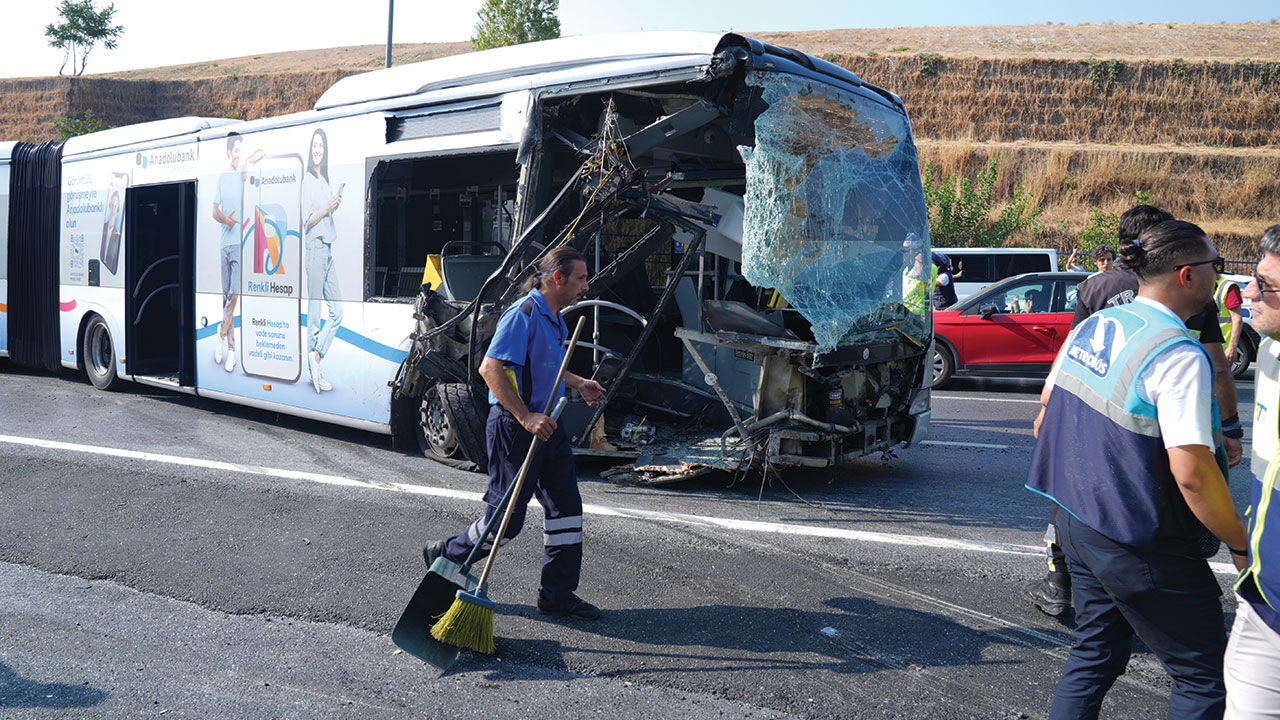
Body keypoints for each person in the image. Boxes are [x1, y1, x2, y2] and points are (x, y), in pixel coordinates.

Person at [1027, 220, 1250, 720]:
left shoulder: (1096, 325)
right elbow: (1192, 473)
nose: (1222, 279)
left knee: (1095, 653)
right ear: (1187, 274)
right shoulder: (1178, 354)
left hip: (1076, 521)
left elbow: (1046, 407)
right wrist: (1239, 543)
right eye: (1217, 268)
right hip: (1138, 538)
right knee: (1204, 676)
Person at [424, 247, 608, 619]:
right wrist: (525, 417)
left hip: (547, 425)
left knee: (567, 511)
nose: (585, 285)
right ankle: (447, 553)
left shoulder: (556, 318)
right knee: (506, 522)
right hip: (516, 426)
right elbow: (491, 369)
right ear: (558, 278)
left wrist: (578, 382)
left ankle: (556, 595)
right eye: (580, 278)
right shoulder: (522, 314)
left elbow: (547, 367)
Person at [1224, 224, 1280, 718]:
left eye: (1270, 286)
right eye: (1255, 278)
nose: (1251, 294)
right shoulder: (1269, 351)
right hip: (1264, 597)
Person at [211, 132, 263, 373]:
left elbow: (264, 151)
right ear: (228, 152)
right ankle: (232, 349)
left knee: (234, 294)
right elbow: (215, 213)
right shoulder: (222, 177)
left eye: (240, 151)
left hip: (240, 245)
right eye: (235, 151)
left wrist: (246, 162)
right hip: (224, 244)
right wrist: (228, 221)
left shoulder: (244, 174)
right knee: (226, 297)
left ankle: (220, 336)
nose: (238, 155)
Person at [302, 128, 343, 394]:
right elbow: (307, 221)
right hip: (315, 249)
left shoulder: (324, 179)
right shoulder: (308, 180)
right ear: (311, 149)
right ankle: (313, 369)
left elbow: (324, 216)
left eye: (322, 146)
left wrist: (333, 205)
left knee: (337, 312)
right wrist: (327, 208)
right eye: (315, 145)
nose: (318, 150)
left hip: (327, 248)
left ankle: (316, 356)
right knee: (315, 315)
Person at [1216, 275, 1245, 369]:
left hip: (1221, 350)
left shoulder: (1227, 287)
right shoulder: (1196, 284)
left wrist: (1232, 347)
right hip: (1199, 347)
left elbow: (1237, 318)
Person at [901, 234, 928, 315]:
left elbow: (917, 273)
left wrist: (918, 255)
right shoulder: (906, 269)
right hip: (905, 311)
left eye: (906, 250)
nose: (904, 254)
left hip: (916, 312)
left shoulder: (923, 267)